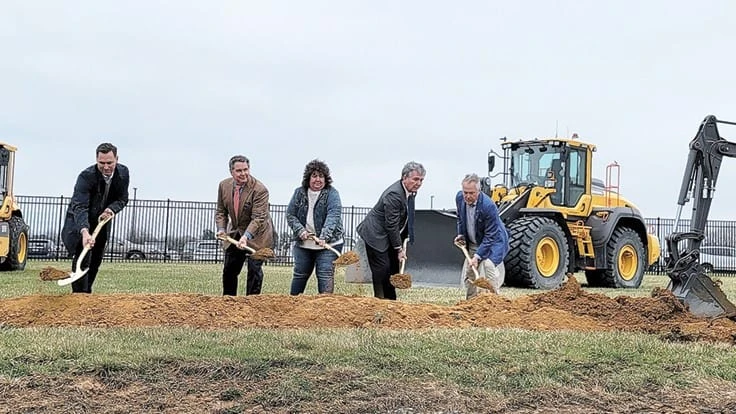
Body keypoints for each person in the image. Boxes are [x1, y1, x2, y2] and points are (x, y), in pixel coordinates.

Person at [61, 143, 130, 294]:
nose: (106, 167)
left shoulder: (123, 173)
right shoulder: (86, 176)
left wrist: (111, 209)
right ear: (96, 160)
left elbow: (122, 199)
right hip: (80, 220)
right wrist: (85, 232)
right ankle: (79, 296)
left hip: (102, 220)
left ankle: (87, 294)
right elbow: (80, 206)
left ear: (116, 159)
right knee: (83, 254)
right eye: (102, 163)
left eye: (110, 163)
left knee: (96, 258)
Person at [357, 161, 426, 300]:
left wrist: (406, 238)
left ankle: (391, 303)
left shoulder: (411, 192)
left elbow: (408, 216)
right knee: (382, 270)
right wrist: (399, 249)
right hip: (375, 235)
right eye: (415, 179)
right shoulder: (394, 194)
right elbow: (391, 225)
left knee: (393, 269)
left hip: (388, 235)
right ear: (404, 177)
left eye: (421, 180)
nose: (418, 183)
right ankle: (380, 302)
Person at [215, 155, 274, 296]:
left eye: (246, 170)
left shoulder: (260, 190)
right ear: (231, 172)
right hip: (235, 233)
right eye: (239, 171)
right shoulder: (224, 185)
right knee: (229, 270)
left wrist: (246, 236)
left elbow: (258, 218)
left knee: (254, 270)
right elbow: (221, 211)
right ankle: (228, 302)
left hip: (257, 235)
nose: (243, 174)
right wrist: (222, 229)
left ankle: (252, 305)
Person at [286, 159, 344, 295]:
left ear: (326, 179)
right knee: (300, 274)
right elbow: (290, 215)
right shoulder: (299, 193)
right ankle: (292, 304)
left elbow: (333, 215)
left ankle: (325, 308)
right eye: (314, 176)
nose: (318, 179)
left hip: (328, 244)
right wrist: (300, 230)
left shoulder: (332, 194)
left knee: (324, 274)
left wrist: (324, 236)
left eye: (321, 176)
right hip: (304, 244)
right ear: (308, 178)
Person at [454, 173, 509, 298]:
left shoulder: (488, 206)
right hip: (475, 241)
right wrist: (461, 234)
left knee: (489, 266)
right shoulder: (459, 198)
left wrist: (478, 257)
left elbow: (490, 236)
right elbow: (460, 218)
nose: (467, 196)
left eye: (471, 193)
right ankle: (471, 302)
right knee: (470, 270)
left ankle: (495, 301)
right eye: (465, 192)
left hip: (494, 240)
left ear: (479, 191)